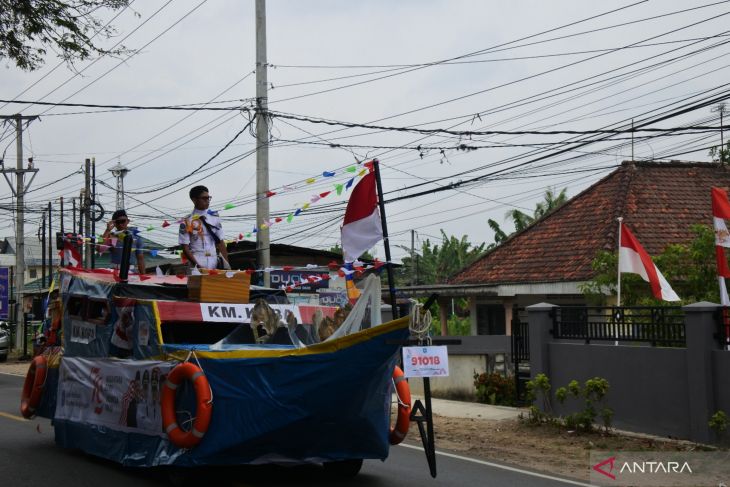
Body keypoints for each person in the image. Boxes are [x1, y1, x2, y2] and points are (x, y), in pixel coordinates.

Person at [179, 185, 230, 270]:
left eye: (208, 198)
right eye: (204, 198)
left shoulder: (215, 217)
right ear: (194, 200)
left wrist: (227, 266)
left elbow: (220, 242)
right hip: (196, 261)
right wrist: (198, 266)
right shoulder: (187, 221)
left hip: (214, 261)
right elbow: (185, 247)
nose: (207, 201)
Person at [102, 209, 146, 274]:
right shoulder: (111, 236)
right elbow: (99, 249)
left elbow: (140, 259)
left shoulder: (137, 238)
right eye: (117, 222)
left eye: (122, 221)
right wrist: (107, 230)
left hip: (130, 272)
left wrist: (143, 277)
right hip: (113, 272)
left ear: (127, 221)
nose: (120, 224)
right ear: (114, 223)